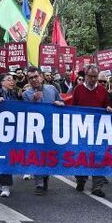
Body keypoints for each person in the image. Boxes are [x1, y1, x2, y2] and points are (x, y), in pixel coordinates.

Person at [70, 64, 112, 197]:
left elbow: (107, 104)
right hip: (82, 129)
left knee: (98, 157)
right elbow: (73, 107)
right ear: (85, 76)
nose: (93, 79)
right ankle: (81, 179)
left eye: (95, 76)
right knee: (82, 156)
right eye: (90, 76)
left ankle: (97, 186)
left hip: (98, 130)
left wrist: (108, 108)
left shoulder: (103, 91)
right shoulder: (78, 89)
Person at [22, 67, 65, 195]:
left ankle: (45, 177)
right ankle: (39, 184)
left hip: (51, 128)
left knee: (48, 156)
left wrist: (60, 104)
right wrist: (34, 100)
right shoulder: (26, 94)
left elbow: (62, 102)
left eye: (36, 76)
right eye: (31, 78)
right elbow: (24, 112)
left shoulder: (52, 89)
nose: (34, 80)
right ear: (28, 80)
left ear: (41, 76)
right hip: (35, 130)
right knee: (37, 155)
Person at [0, 73, 20, 197]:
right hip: (0, 132)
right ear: (2, 82)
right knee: (5, 157)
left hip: (12, 130)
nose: (12, 82)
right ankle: (6, 186)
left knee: (9, 156)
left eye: (12, 80)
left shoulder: (14, 94)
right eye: (8, 80)